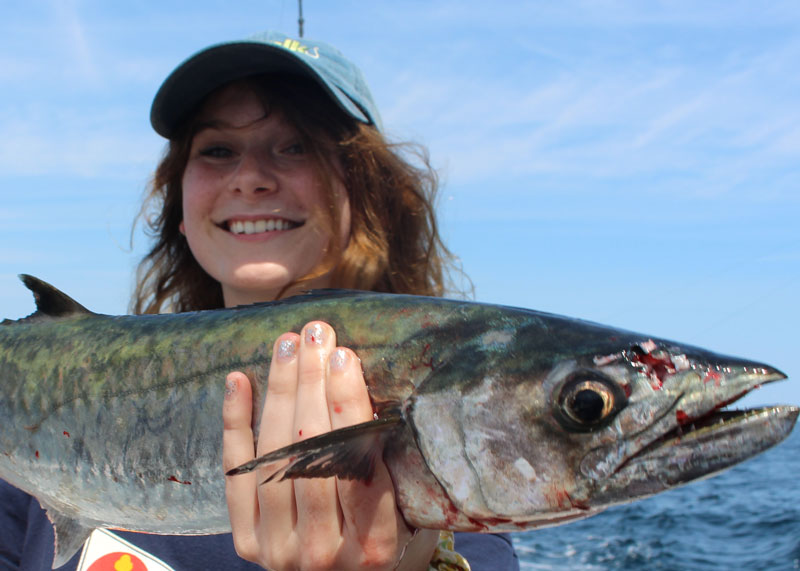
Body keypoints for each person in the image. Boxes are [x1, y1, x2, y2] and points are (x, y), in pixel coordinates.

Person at [0, 31, 519, 570]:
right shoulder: (21, 467)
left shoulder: (462, 518)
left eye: (296, 146)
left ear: (367, 192)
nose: (250, 178)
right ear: (180, 205)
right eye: (218, 150)